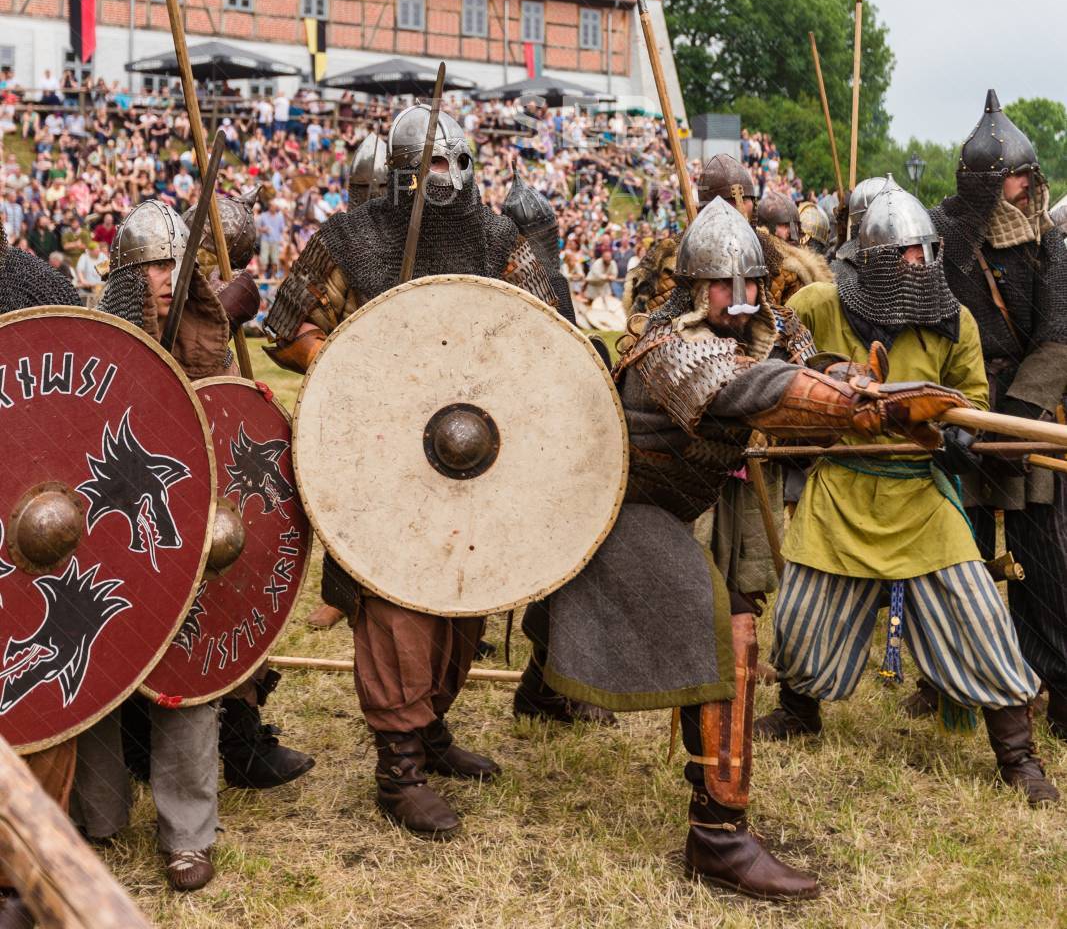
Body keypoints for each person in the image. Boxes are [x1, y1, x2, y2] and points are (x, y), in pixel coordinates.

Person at [518, 198, 977, 900]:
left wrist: (849, 377)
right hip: (618, 509)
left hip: (665, 508)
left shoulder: (766, 323)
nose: (739, 300)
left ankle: (543, 685)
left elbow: (802, 357)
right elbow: (748, 387)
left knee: (649, 617)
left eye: (751, 285)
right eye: (721, 287)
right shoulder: (667, 346)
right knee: (728, 626)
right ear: (691, 286)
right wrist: (854, 404)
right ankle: (718, 834)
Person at [264, 104, 560, 838]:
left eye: (455, 162)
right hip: (378, 451)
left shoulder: (494, 237)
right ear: (399, 171)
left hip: (471, 447)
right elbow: (286, 328)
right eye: (429, 164)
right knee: (397, 603)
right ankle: (398, 769)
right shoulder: (350, 237)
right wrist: (350, 359)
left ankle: (431, 729)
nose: (445, 178)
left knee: (463, 595)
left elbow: (548, 329)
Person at [757, 186, 1059, 806]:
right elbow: (775, 340)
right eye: (908, 256)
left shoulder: (954, 322)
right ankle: (798, 711)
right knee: (797, 621)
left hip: (920, 497)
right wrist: (821, 378)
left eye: (926, 253)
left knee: (981, 623)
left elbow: (971, 399)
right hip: (841, 487)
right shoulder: (822, 304)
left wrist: (956, 432)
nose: (921, 267)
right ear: (873, 261)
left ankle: (1018, 755)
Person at [72, 200, 312, 893]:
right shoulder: (98, 336)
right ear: (124, 273)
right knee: (102, 680)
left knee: (186, 683)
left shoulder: (202, 335)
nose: (164, 276)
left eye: (174, 262)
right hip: (108, 534)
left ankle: (188, 834)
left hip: (186, 537)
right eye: (150, 264)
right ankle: (98, 816)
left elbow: (219, 434)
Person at [926, 90, 1067, 737]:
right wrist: (957, 415)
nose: (1028, 187)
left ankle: (1058, 689)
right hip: (963, 416)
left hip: (1030, 420)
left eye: (1029, 177)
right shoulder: (945, 248)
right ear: (984, 185)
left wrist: (1014, 422)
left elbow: (1056, 342)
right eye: (1017, 177)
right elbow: (929, 331)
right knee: (962, 562)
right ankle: (954, 688)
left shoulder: (1050, 248)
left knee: (1045, 565)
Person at [0, 217, 81, 929]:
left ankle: (28, 874)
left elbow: (99, 383)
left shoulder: (34, 283)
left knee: (42, 702)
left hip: (34, 531)